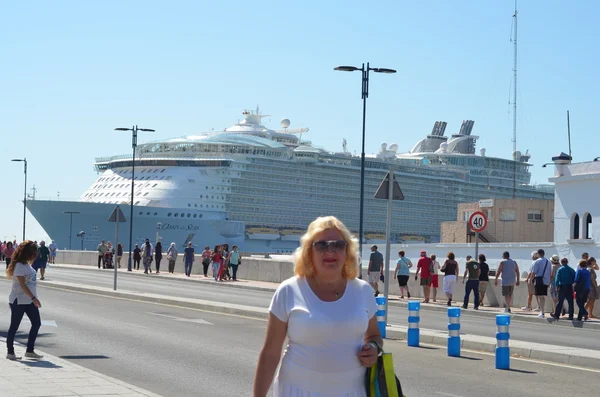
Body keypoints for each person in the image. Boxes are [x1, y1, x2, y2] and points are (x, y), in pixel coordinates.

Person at [252, 216, 381, 397]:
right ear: (309, 252)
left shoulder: (363, 291)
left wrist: (374, 348)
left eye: (338, 245)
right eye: (321, 245)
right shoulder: (289, 290)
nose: (330, 251)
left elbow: (374, 336)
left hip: (352, 392)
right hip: (296, 391)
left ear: (347, 251)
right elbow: (271, 353)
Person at [6, 240, 44, 360]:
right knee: (14, 327)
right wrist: (34, 298)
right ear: (27, 253)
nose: (35, 255)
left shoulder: (27, 265)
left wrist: (33, 298)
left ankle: (30, 350)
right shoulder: (19, 266)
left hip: (29, 301)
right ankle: (10, 353)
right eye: (33, 253)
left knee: (36, 323)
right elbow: (23, 284)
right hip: (19, 300)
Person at [530, 249, 551, 318]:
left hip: (539, 280)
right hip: (546, 281)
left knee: (540, 297)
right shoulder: (548, 262)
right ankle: (542, 311)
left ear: (538, 254)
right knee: (542, 297)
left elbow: (534, 272)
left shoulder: (537, 261)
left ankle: (542, 312)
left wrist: (530, 280)